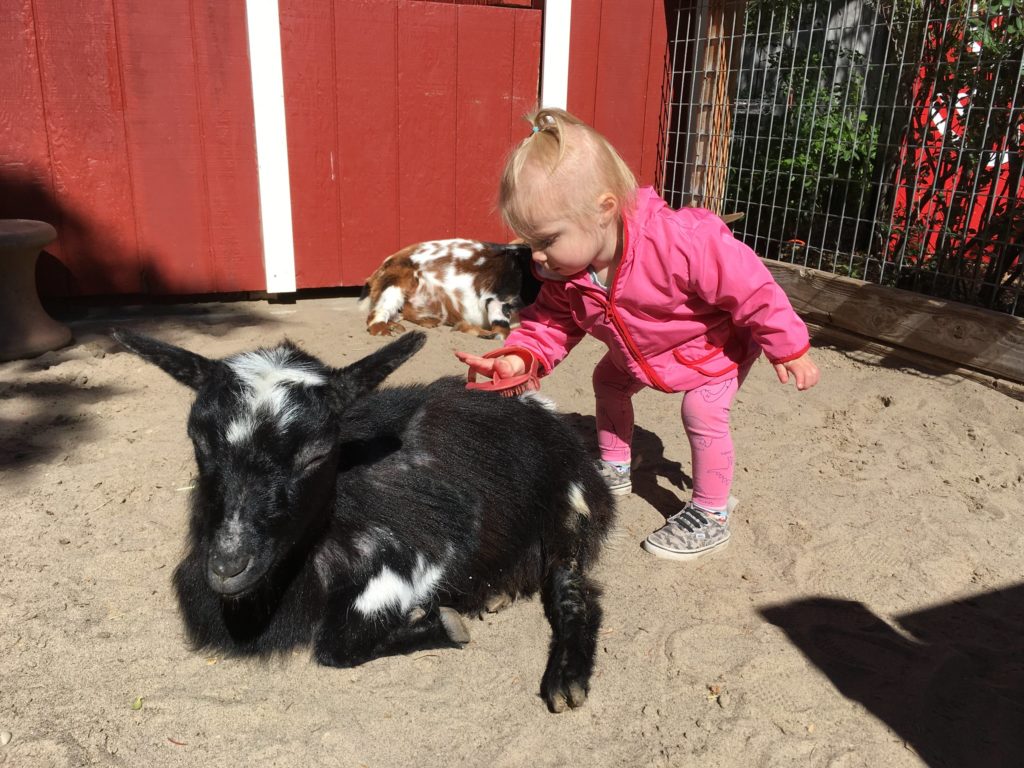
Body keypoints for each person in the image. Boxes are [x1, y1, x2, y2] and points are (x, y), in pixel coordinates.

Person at [456, 108, 820, 561]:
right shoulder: (568, 273)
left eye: (547, 240)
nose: (537, 258)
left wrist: (787, 347)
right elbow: (549, 324)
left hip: (712, 348)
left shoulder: (681, 243)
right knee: (607, 380)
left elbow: (753, 287)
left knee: (701, 412)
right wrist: (519, 358)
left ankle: (711, 513)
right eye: (530, 242)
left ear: (604, 210)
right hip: (642, 353)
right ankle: (615, 465)